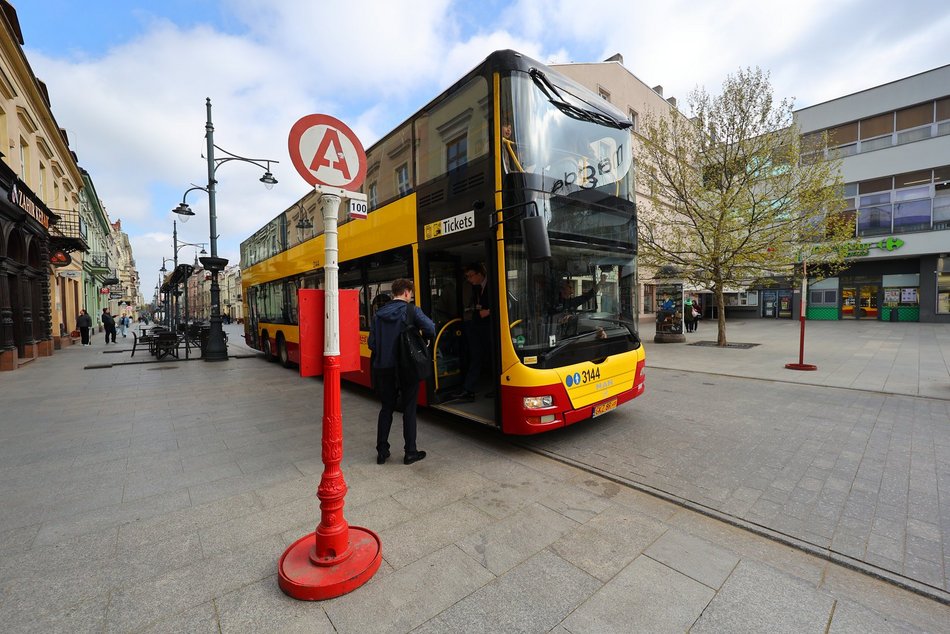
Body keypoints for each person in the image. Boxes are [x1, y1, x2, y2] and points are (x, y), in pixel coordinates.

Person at [368, 278, 435, 466]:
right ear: (406, 292)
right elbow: (430, 328)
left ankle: (382, 451)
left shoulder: (379, 314)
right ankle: (410, 452)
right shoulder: (412, 310)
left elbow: (372, 344)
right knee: (409, 408)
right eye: (410, 293)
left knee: (386, 408)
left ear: (393, 293)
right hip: (407, 368)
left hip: (383, 368)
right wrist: (425, 339)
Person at [458, 262, 491, 401]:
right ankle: (468, 389)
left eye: (471, 276)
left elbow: (507, 304)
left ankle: (469, 389)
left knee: (487, 357)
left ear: (479, 274)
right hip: (478, 327)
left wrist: (489, 311)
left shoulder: (493, 284)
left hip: (489, 329)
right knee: (477, 356)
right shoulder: (477, 288)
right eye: (467, 277)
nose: (469, 279)